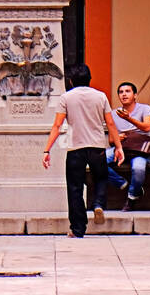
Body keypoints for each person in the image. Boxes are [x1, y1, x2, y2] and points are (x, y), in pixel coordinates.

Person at [42, 63, 125, 238]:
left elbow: (57, 125)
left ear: (71, 81)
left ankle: (77, 228)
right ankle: (98, 203)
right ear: (89, 79)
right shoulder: (100, 96)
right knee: (101, 178)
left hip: (75, 148)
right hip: (97, 147)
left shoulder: (66, 97)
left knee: (75, 188)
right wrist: (118, 147)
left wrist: (46, 150)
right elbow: (110, 123)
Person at [107, 81, 150, 210]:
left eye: (128, 91)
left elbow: (147, 127)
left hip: (139, 149)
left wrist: (129, 119)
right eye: (121, 92)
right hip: (121, 148)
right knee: (98, 161)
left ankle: (132, 198)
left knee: (138, 168)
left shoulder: (145, 108)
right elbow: (111, 140)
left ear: (135, 95)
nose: (124, 94)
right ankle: (126, 185)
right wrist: (118, 138)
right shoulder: (113, 113)